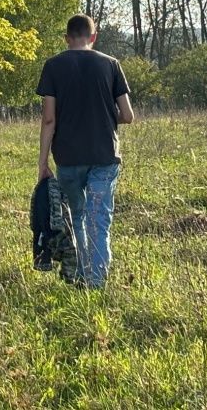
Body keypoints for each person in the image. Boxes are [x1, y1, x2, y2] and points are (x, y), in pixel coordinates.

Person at [36, 14, 134, 288]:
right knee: (98, 220)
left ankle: (79, 276)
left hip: (68, 158)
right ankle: (96, 282)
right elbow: (127, 115)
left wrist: (42, 163)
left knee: (75, 217)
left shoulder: (53, 66)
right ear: (94, 36)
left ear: (67, 38)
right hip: (104, 156)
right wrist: (101, 115)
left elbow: (48, 119)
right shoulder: (111, 65)